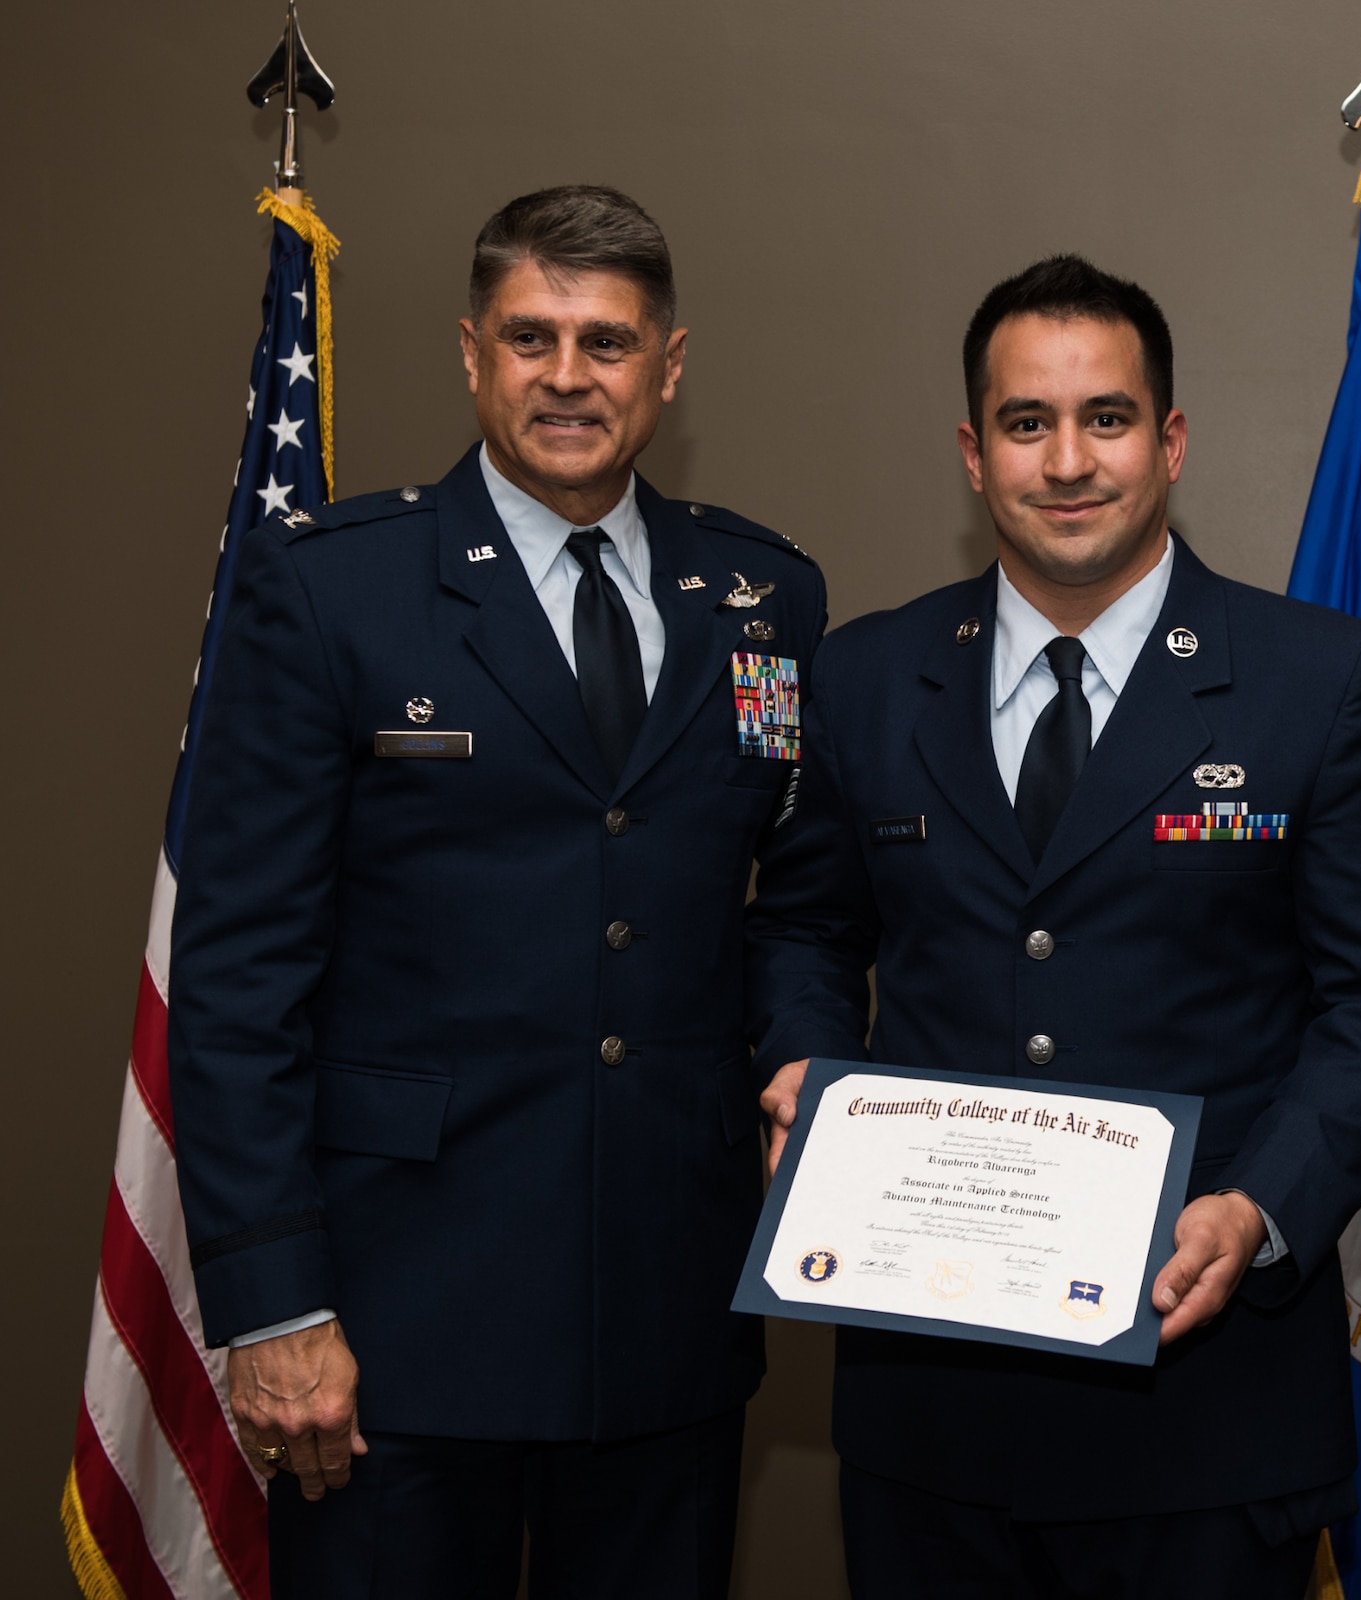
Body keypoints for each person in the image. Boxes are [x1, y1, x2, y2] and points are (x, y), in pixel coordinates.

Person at [746, 255, 1361, 1599]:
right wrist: (796, 1062)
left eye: (1108, 419)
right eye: (1028, 423)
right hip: (930, 1417)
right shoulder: (865, 675)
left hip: (1200, 1417)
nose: (1068, 461)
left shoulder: (1317, 682)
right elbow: (801, 930)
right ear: (974, 452)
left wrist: (1258, 1207)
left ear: (1171, 440)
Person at [168, 184, 824, 1597]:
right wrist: (277, 1301)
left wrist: (805, 1075)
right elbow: (236, 978)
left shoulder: (768, 599)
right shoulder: (336, 589)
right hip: (396, 1326)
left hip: (666, 1311)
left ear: (669, 364)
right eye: (532, 338)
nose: (568, 378)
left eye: (606, 341)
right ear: (473, 355)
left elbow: (790, 901)